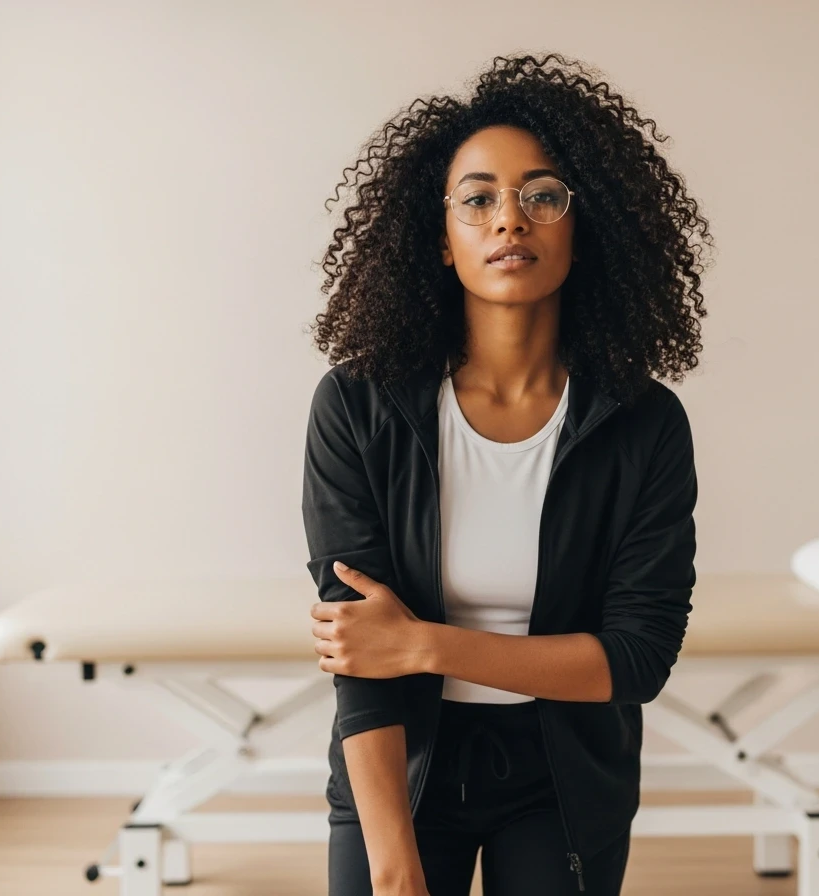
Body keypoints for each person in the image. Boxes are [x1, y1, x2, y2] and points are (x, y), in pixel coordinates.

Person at [301, 51, 713, 896]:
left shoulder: (643, 424)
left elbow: (637, 659)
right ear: (443, 242)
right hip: (401, 766)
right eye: (479, 198)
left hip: (561, 780)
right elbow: (361, 661)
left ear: (580, 227)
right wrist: (392, 872)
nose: (509, 221)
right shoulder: (358, 407)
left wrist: (425, 645)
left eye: (543, 196)